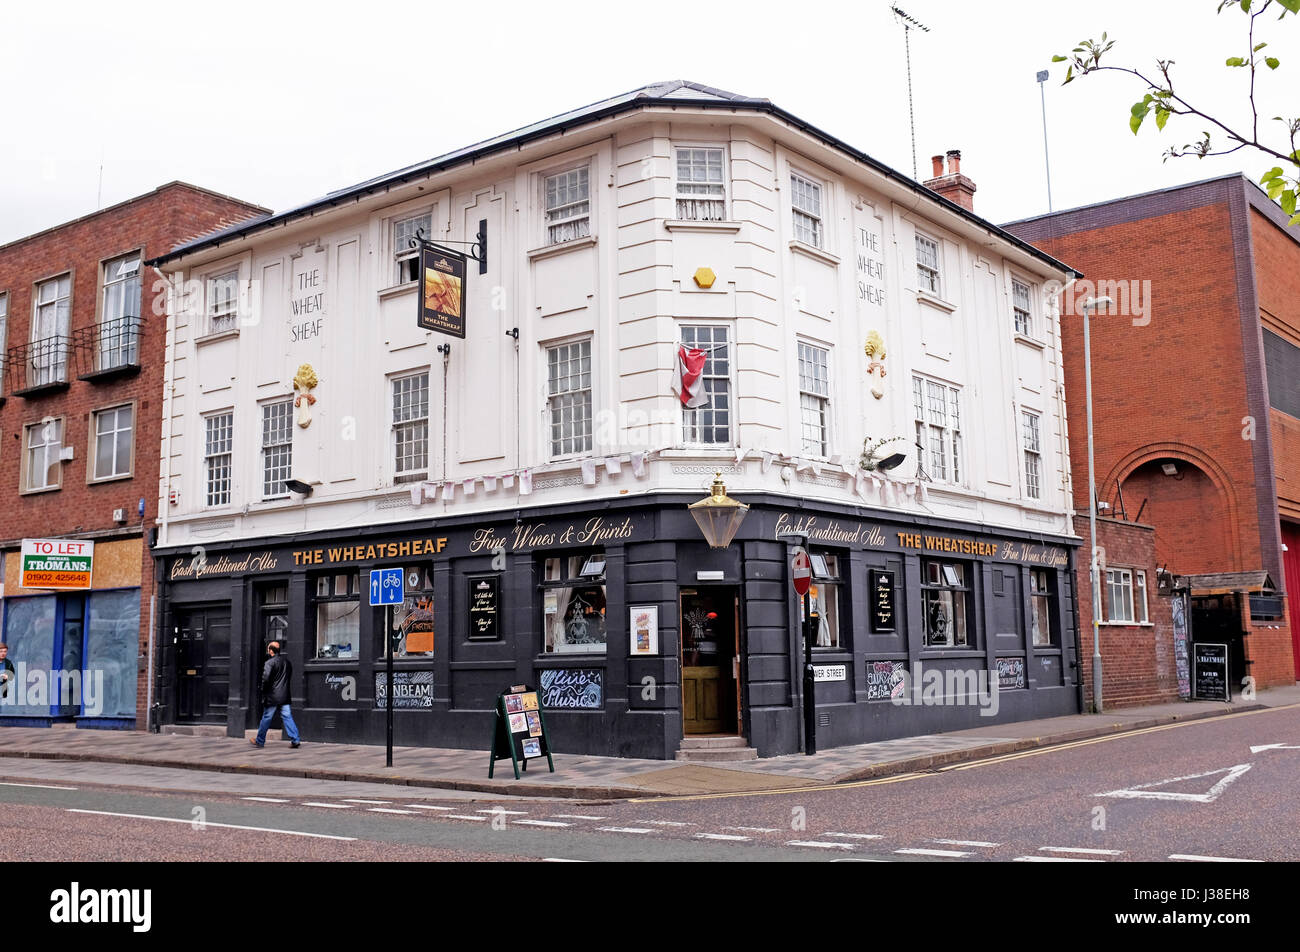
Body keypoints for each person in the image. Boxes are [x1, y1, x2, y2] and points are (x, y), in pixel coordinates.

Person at [251, 641, 301, 749]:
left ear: (271, 651)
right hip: (284, 695)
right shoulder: (287, 662)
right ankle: (295, 739)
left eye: (268, 649)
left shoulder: (269, 663)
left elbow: (266, 679)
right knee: (287, 717)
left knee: (266, 718)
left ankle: (260, 740)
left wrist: (263, 691)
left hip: (272, 696)